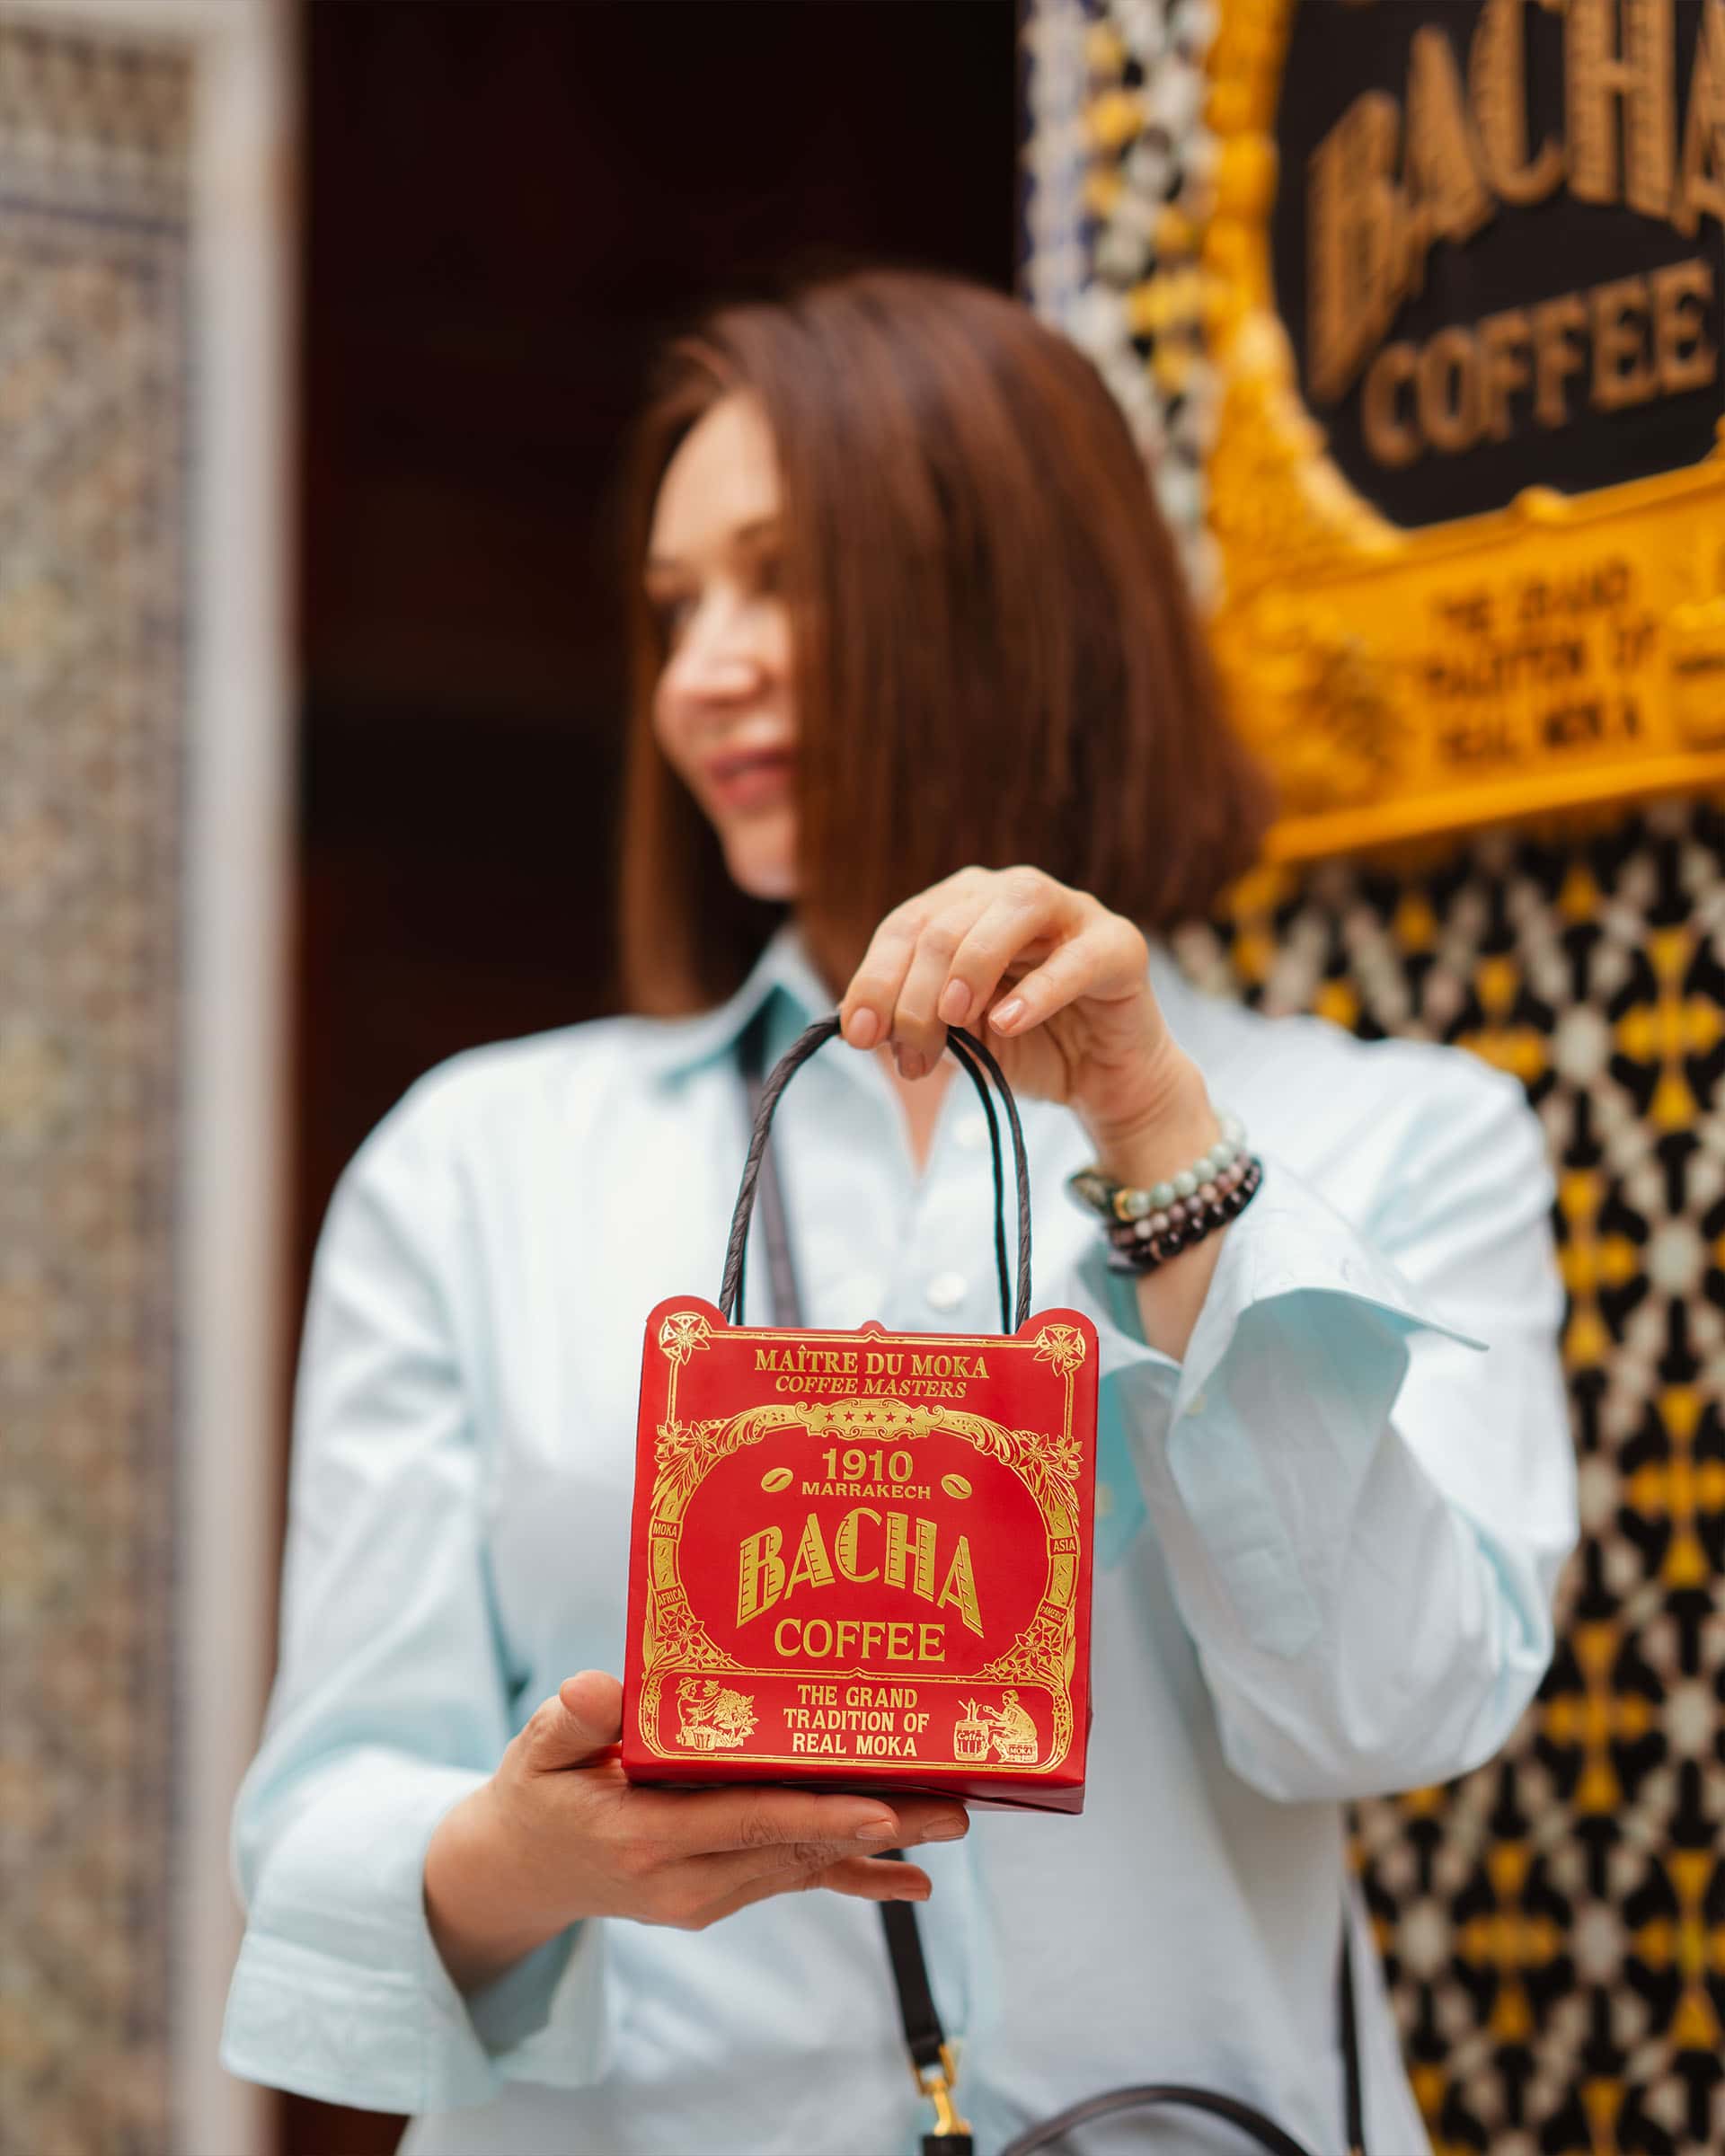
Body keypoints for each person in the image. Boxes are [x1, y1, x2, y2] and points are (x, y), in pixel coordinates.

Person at [221, 268, 1576, 2155]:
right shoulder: (479, 1160)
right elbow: (325, 1825)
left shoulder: (1401, 1139)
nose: (703, 670)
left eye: (780, 577)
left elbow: (1394, 1712)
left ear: (1010, 594)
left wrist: (1158, 1133)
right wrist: (523, 1853)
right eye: (677, 607)